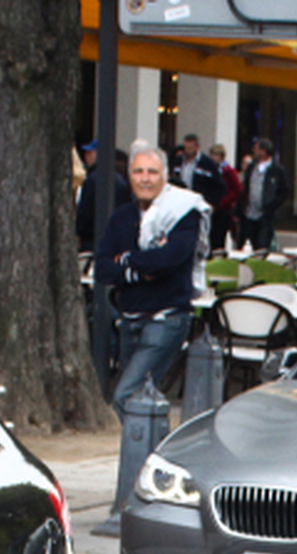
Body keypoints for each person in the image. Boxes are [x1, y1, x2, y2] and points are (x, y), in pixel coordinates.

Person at [94, 142, 205, 408]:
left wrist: (128, 260)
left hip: (165, 320)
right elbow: (101, 268)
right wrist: (141, 271)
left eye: (152, 172)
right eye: (138, 171)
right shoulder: (121, 217)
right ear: (129, 175)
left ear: (165, 176)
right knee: (143, 401)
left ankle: (150, 448)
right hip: (128, 321)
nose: (145, 178)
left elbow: (168, 261)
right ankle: (149, 448)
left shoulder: (183, 214)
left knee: (126, 397)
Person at [240, 136, 281, 251]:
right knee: (248, 243)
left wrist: (271, 205)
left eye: (257, 149)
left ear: (264, 151)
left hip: (265, 214)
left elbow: (283, 191)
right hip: (250, 212)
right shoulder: (252, 167)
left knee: (262, 244)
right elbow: (245, 186)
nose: (255, 151)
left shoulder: (276, 170)